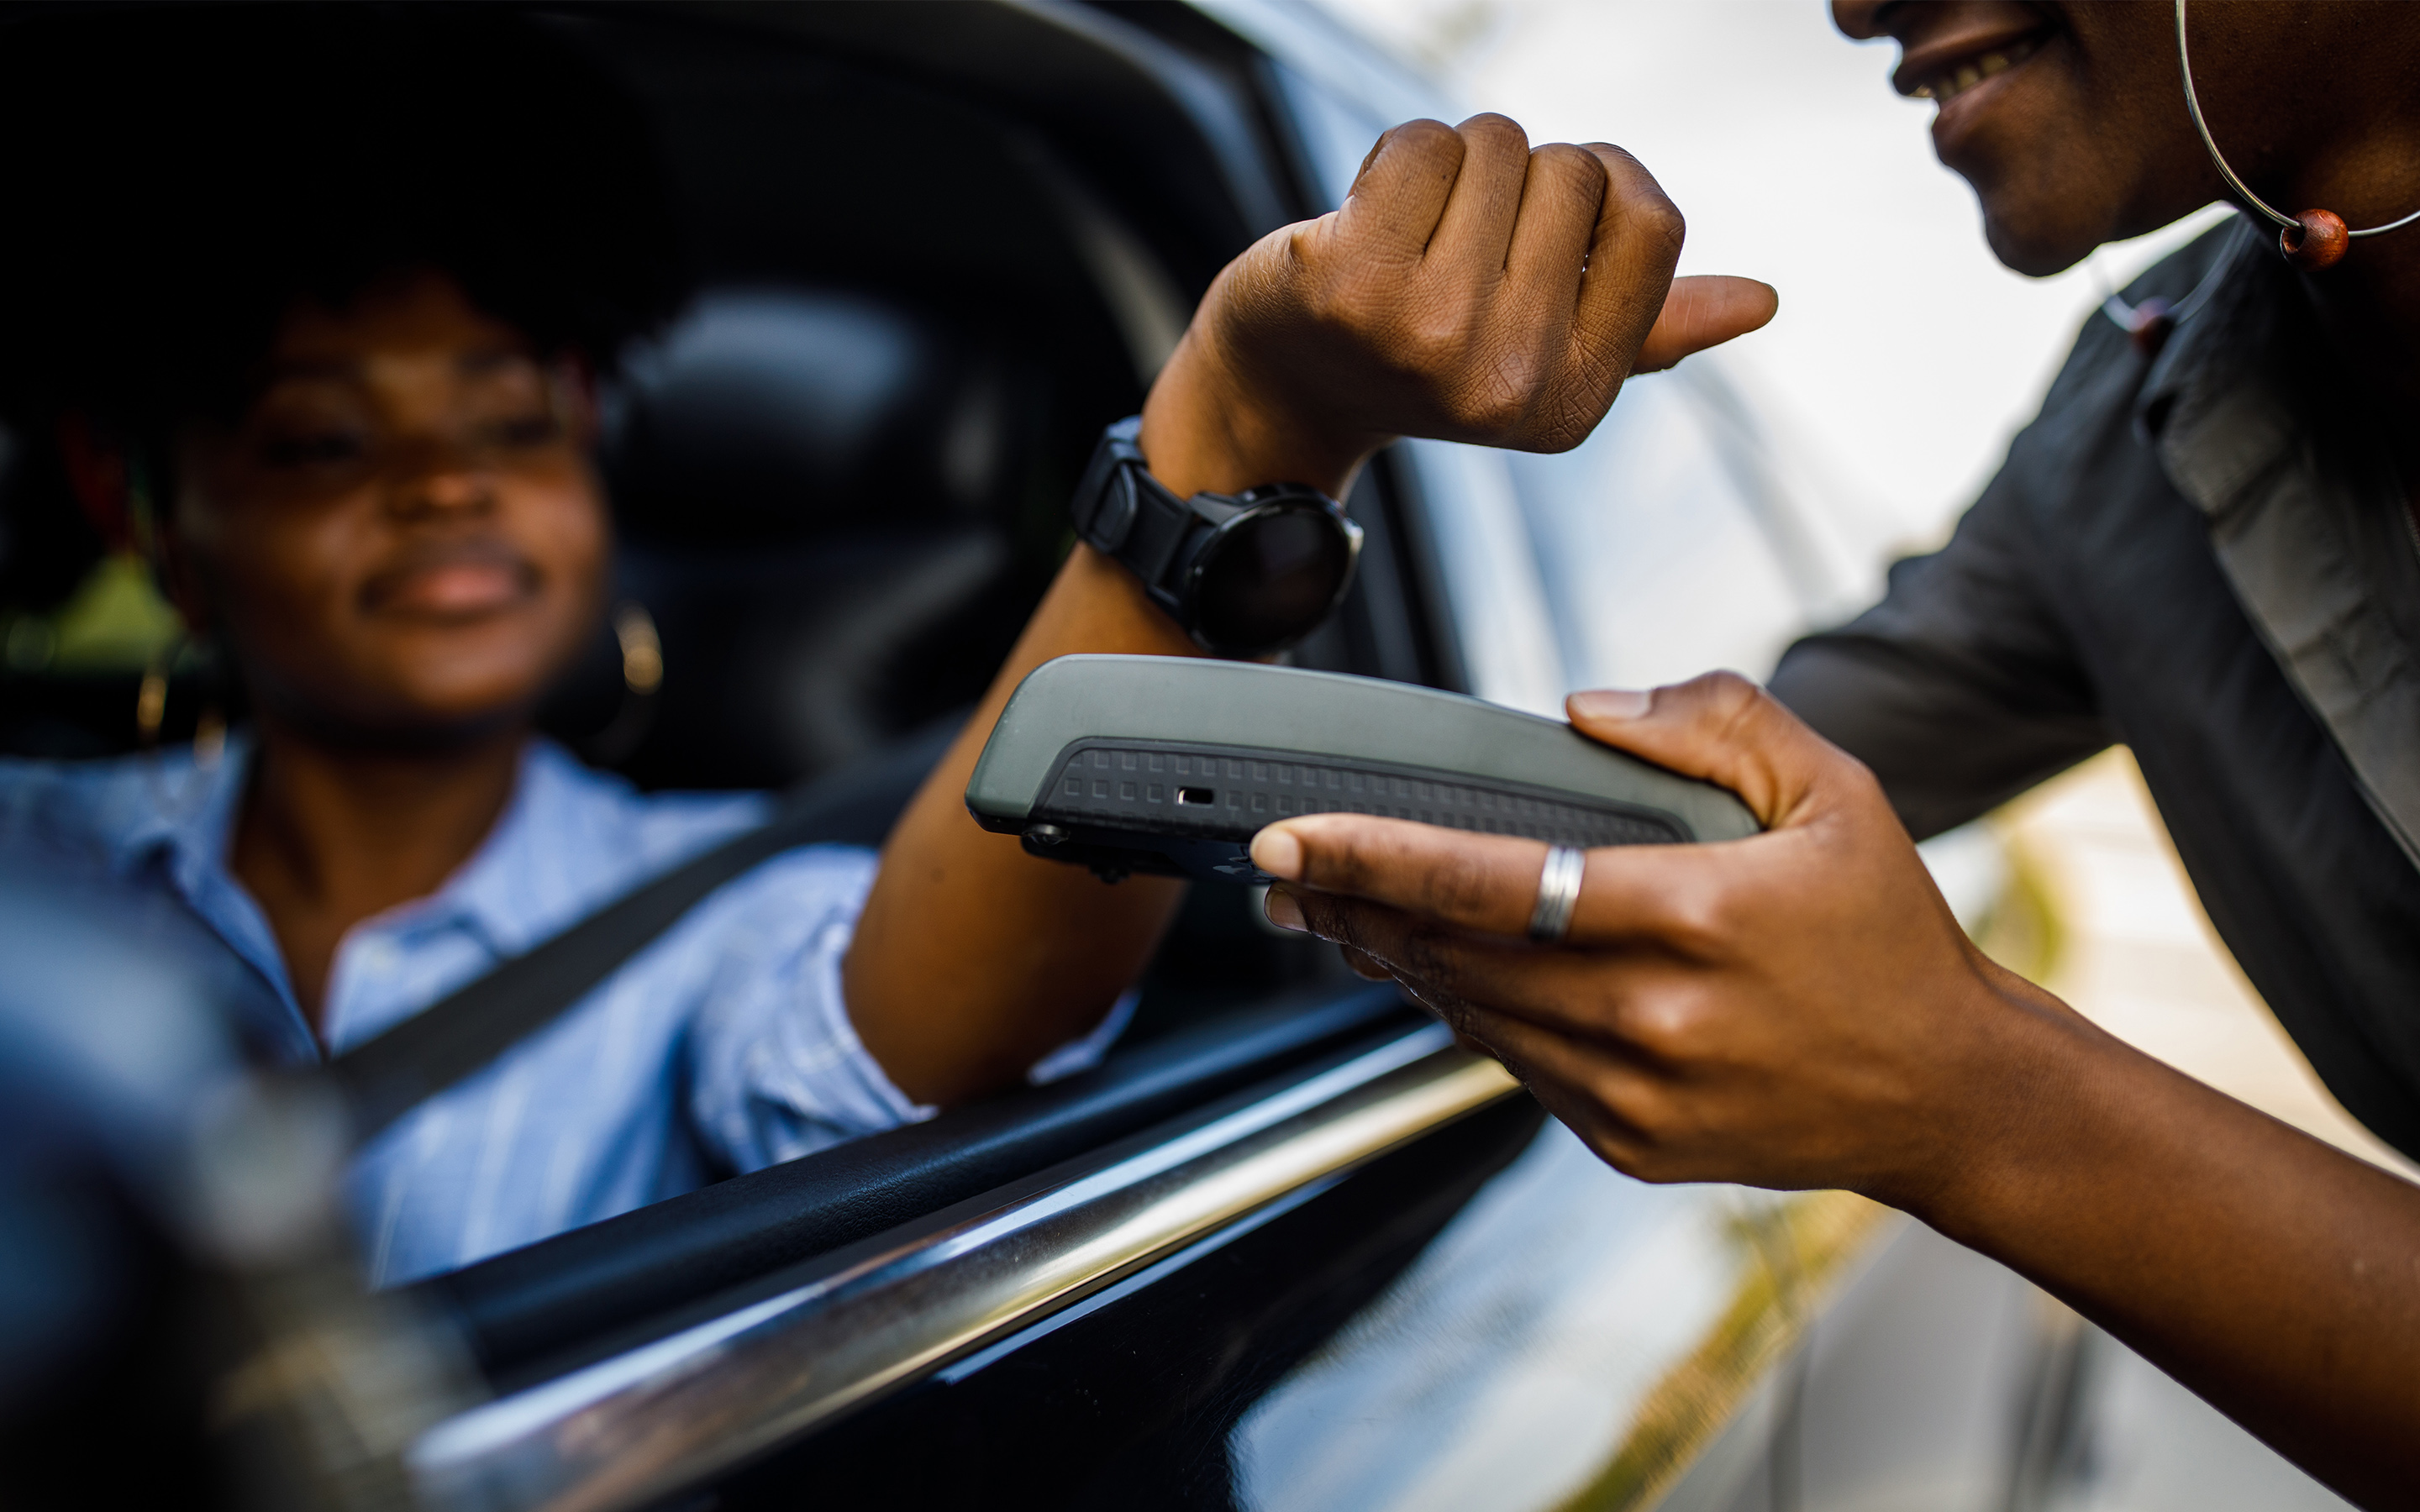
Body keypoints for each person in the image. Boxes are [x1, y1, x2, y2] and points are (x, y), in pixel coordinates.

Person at [0, 8, 1769, 1283]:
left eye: (512, 422)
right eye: (323, 440)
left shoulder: (704, 907)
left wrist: (1243, 434)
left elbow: (906, 1040)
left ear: (593, 452)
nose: (442, 487)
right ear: (144, 512)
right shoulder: (35, 865)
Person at [1245, 2, 2420, 1504]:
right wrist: (1254, 439)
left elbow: (1937, 1057)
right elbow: (1693, 805)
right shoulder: (2124, 439)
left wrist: (1979, 1101)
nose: (1851, 6)